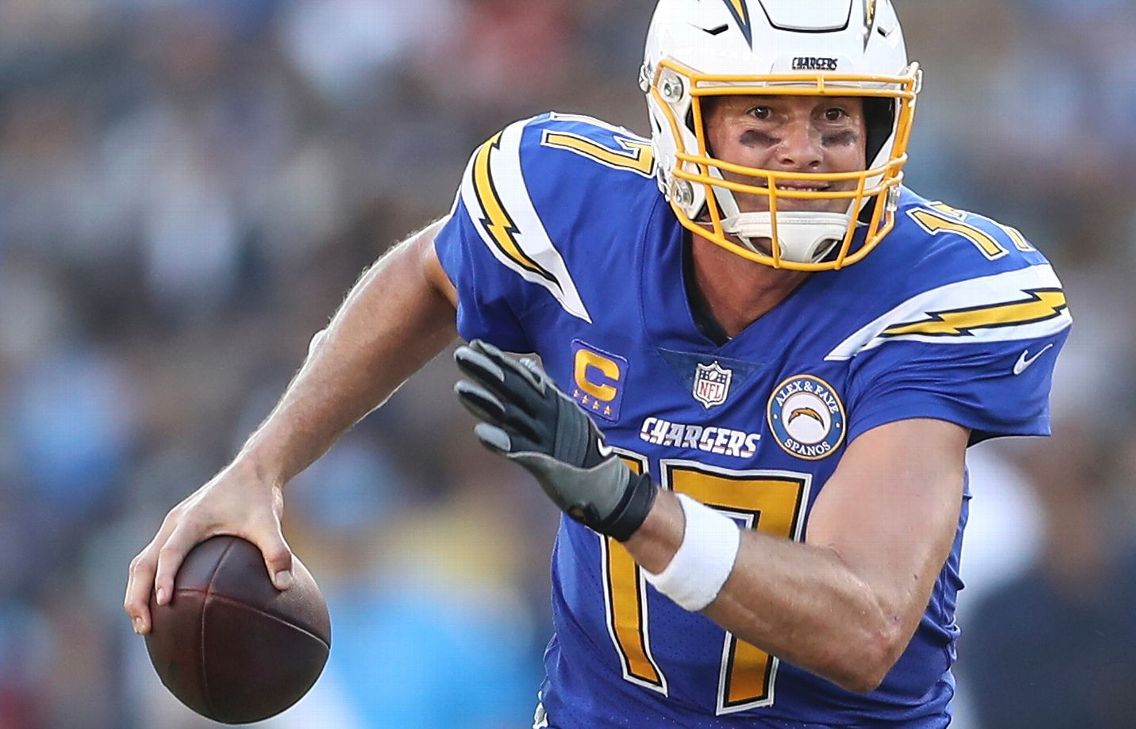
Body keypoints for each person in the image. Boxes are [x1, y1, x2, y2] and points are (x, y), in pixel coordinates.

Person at [124, 0, 1072, 726]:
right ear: (682, 121)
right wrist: (261, 468)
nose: (807, 157)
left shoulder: (936, 293)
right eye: (766, 121)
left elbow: (863, 625)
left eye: (836, 120)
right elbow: (427, 274)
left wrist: (629, 504)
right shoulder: (575, 210)